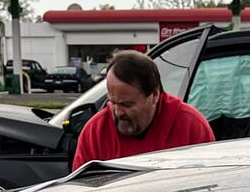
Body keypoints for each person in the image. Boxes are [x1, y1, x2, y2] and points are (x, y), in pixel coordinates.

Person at [70, 49, 214, 171]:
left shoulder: (192, 126)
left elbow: (209, 185)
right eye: (112, 102)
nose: (118, 112)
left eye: (127, 104)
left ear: (155, 95)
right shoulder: (95, 133)